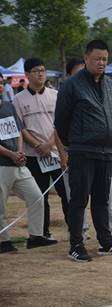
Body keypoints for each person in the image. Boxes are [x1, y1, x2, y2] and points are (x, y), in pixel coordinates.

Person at [55, 40, 112, 262]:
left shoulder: (110, 85)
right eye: (97, 58)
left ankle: (105, 242)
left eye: (104, 59)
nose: (101, 63)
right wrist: (75, 143)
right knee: (79, 199)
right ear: (86, 58)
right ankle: (76, 245)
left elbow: (110, 113)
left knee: (102, 200)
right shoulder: (71, 85)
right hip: (82, 151)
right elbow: (61, 122)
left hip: (106, 151)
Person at [13, 58, 69, 240]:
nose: (40, 74)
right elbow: (20, 127)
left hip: (55, 153)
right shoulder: (18, 99)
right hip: (33, 155)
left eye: (43, 70)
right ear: (27, 75)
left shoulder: (55, 95)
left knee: (66, 193)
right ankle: (42, 233)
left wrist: (50, 144)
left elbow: (60, 123)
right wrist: (37, 145)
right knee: (40, 195)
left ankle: (75, 228)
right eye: (36, 71)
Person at [0, 83, 57, 253]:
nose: (0, 86)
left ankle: (36, 236)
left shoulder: (8, 106)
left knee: (37, 197)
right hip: (2, 165)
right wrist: (11, 154)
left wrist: (18, 151)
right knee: (0, 206)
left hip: (18, 163)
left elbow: (19, 130)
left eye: (1, 83)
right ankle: (4, 240)